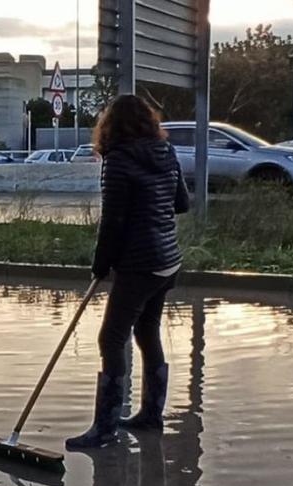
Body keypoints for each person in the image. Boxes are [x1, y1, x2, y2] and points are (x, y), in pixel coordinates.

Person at [66, 95, 190, 450]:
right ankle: (151, 415)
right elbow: (182, 203)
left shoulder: (117, 161)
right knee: (146, 330)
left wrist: (100, 264)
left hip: (139, 264)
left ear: (109, 126)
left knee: (110, 338)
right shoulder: (166, 153)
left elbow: (113, 221)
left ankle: (105, 429)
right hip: (168, 261)